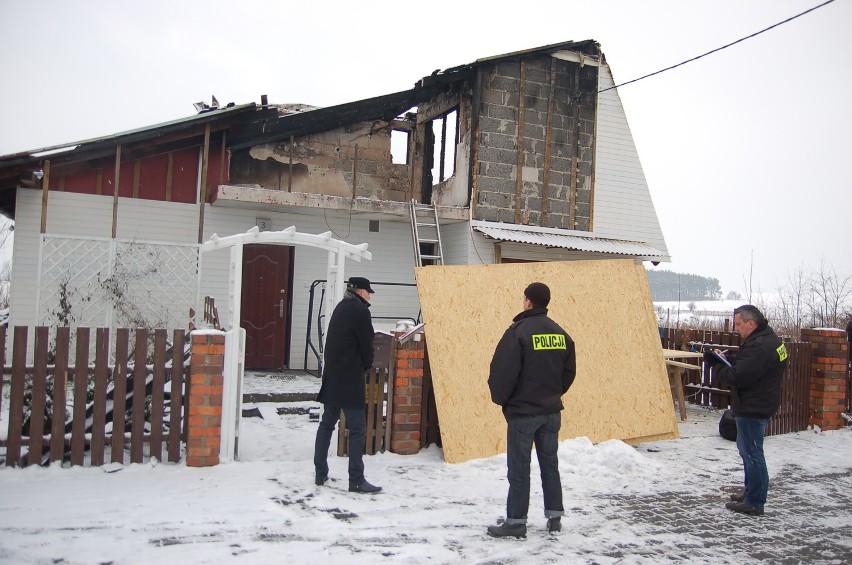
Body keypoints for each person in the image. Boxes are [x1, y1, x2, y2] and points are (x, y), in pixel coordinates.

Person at [486, 282, 576, 538]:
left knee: (519, 468)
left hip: (523, 413)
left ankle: (516, 522)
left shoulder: (518, 333)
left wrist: (504, 401)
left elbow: (503, 372)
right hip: (551, 412)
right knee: (550, 464)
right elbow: (569, 372)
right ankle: (555, 516)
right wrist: (553, 394)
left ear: (528, 301)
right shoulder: (561, 334)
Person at [704, 304, 787, 516]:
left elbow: (738, 377)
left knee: (752, 454)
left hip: (753, 407)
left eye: (739, 324)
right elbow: (750, 368)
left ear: (752, 323)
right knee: (749, 452)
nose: (736, 328)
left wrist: (716, 365)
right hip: (760, 402)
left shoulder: (760, 346)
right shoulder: (768, 340)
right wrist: (728, 360)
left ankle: (755, 502)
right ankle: (751, 492)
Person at [313, 276, 382, 494]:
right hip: (350, 378)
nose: (369, 295)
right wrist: (368, 364)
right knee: (358, 429)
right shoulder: (361, 311)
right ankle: (356, 480)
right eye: (368, 292)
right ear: (361, 292)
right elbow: (366, 344)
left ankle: (320, 472)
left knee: (326, 425)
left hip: (333, 376)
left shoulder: (341, 307)